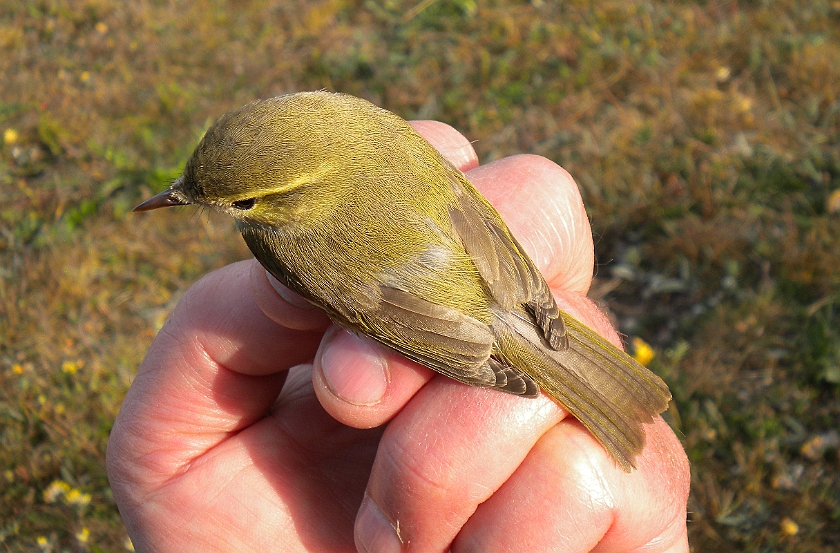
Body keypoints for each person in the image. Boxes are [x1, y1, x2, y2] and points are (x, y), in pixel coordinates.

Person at [107, 120, 690, 552]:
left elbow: (386, 314)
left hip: (448, 322)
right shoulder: (362, 125)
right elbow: (470, 212)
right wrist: (529, 304)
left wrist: (489, 351)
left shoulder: (285, 241)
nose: (223, 210)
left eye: (241, 203)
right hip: (501, 279)